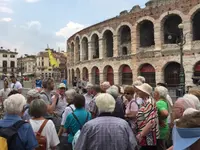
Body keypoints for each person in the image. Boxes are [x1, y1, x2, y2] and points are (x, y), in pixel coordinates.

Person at [135, 83, 159, 150]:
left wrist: (141, 135)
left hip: (148, 134)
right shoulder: (145, 102)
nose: (138, 92)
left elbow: (151, 121)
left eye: (140, 90)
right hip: (146, 133)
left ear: (145, 92)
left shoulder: (149, 103)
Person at [154, 86, 171, 150]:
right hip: (163, 128)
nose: (154, 93)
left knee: (161, 146)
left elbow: (165, 113)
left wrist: (159, 120)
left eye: (155, 92)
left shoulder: (160, 102)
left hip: (161, 129)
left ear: (158, 94)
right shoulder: (164, 101)